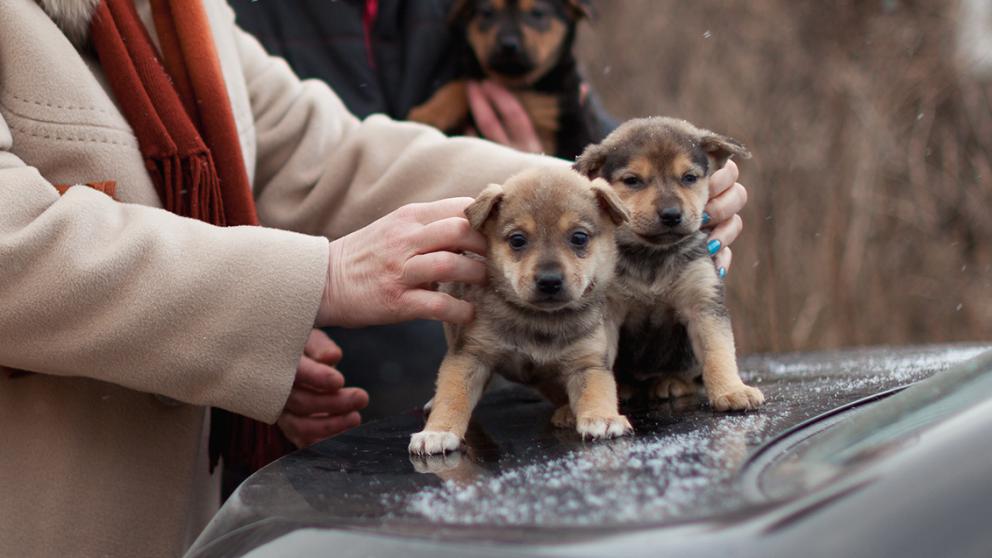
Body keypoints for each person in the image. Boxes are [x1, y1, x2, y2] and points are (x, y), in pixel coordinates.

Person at [0, 1, 746, 557]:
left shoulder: (183, 12)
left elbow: (327, 155)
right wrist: (318, 277)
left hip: (194, 516)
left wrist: (608, 201)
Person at [229, 0, 742, 421]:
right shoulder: (227, 17)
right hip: (322, 360)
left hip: (512, 359)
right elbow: (273, 163)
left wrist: (608, 193)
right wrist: (273, 307)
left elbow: (338, 154)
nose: (511, 36)